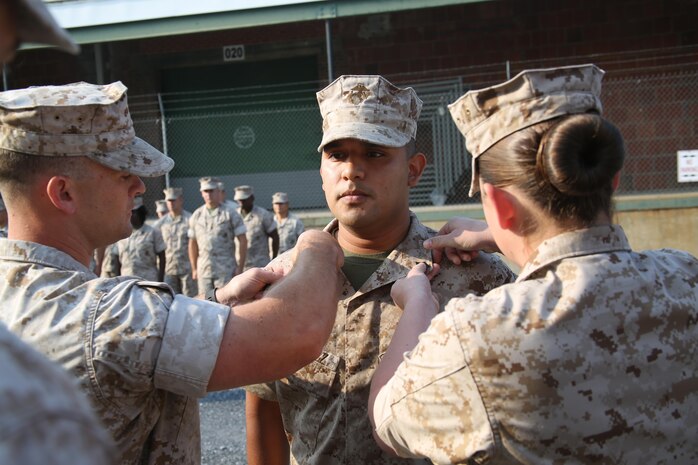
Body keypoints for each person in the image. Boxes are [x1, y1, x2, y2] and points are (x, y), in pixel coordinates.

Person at [0, 80, 345, 465]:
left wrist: (214, 303)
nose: (138, 185)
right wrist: (318, 243)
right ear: (63, 193)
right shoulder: (108, 315)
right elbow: (295, 333)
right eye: (120, 171)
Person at [369, 64, 698, 464]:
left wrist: (417, 303)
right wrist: (503, 233)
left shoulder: (479, 333)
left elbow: (387, 420)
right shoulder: (685, 277)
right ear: (611, 181)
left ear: (498, 204)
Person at [244, 75, 515, 465]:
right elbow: (264, 408)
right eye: (337, 155)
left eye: (374, 154)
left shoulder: (478, 279)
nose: (352, 171)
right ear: (321, 170)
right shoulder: (282, 279)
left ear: (414, 170)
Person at [189, 176, 248, 295]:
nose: (209, 194)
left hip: (225, 269)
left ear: (218, 192)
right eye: (206, 191)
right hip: (204, 269)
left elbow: (243, 240)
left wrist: (240, 267)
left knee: (225, 303)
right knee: (205, 303)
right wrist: (194, 268)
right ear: (201, 193)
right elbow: (192, 243)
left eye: (211, 191)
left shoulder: (230, 213)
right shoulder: (197, 215)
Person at [115, 196, 166, 281]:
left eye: (134, 212)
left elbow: (162, 256)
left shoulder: (153, 232)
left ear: (141, 213)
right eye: (129, 212)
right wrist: (117, 280)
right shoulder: (122, 234)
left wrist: (160, 280)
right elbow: (116, 258)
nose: (131, 215)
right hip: (126, 279)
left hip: (148, 279)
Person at [158, 186, 196, 296]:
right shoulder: (161, 223)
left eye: (173, 200)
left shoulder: (190, 219)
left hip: (187, 269)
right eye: (168, 201)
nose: (171, 204)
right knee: (170, 300)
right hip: (169, 269)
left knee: (190, 299)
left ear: (181, 200)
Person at [235, 184, 279, 269]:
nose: (241, 203)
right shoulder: (234, 215)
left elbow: (275, 236)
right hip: (239, 265)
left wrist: (274, 259)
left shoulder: (263, 215)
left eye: (244, 200)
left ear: (252, 198)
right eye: (239, 200)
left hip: (259, 264)